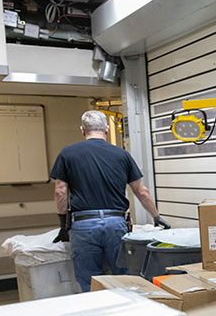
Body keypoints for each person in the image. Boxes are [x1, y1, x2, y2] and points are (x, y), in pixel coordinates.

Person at [50, 110, 170, 292]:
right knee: (122, 278)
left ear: (83, 130)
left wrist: (62, 225)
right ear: (106, 129)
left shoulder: (68, 153)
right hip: (116, 222)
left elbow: (60, 191)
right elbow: (141, 192)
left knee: (89, 280)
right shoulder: (122, 155)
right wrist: (156, 217)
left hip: (83, 225)